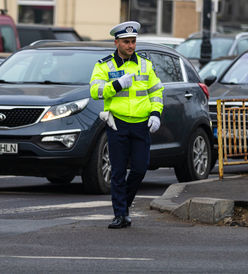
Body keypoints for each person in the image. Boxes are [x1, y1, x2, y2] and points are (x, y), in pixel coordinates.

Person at [89, 21, 164, 229]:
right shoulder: (104, 65)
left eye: (133, 41)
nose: (131, 46)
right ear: (116, 42)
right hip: (117, 124)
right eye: (126, 42)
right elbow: (95, 91)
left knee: (140, 169)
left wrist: (156, 114)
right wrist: (116, 84)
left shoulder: (145, 65)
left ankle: (125, 204)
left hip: (141, 124)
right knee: (118, 172)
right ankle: (120, 214)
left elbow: (156, 91)